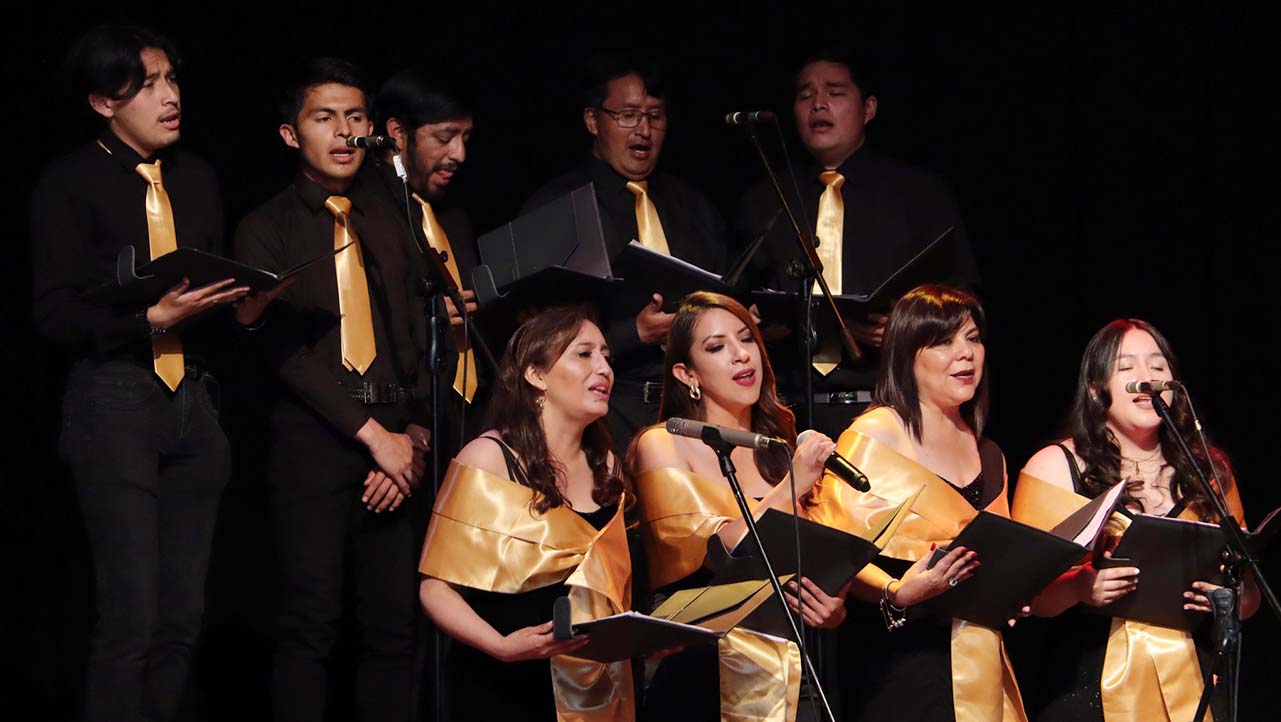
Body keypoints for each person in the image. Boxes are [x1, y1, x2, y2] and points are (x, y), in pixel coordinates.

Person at [30, 25, 251, 722]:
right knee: (132, 616)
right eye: (148, 84)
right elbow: (53, 315)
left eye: (172, 80)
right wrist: (148, 320)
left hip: (196, 398)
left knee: (183, 619)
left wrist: (246, 301)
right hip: (116, 399)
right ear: (103, 102)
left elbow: (211, 291)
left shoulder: (196, 177)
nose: (169, 96)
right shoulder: (69, 181)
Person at [233, 57, 430, 722]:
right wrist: (372, 437)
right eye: (324, 118)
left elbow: (416, 335)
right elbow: (285, 354)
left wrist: (412, 439)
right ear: (292, 135)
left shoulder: (392, 217)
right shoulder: (266, 227)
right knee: (310, 622)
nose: (344, 132)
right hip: (313, 443)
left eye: (355, 117)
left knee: (393, 627)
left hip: (396, 445)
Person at [1015, 319, 1260, 721]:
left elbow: (1248, 601)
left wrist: (1228, 598)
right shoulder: (1057, 466)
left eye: (1158, 367)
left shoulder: (1209, 470)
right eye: (1127, 368)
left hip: (1194, 680)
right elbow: (1025, 594)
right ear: (1096, 389)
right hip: (1089, 680)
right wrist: (1081, 586)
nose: (1146, 378)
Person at [808, 284, 1027, 721]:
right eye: (944, 342)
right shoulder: (877, 435)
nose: (965, 353)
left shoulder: (989, 452)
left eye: (972, 338)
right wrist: (898, 591)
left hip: (980, 660)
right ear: (907, 354)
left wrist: (1013, 590)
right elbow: (833, 548)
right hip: (896, 661)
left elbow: (1001, 554)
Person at [735, 49, 979, 440]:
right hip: (786, 410)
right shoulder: (766, 198)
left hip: (891, 407)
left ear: (868, 108)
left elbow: (962, 299)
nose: (818, 104)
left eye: (835, 92)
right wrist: (755, 322)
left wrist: (907, 326)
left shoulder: (918, 194)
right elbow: (736, 298)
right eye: (805, 95)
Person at [629, 291, 842, 721]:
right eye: (717, 347)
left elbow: (816, 565)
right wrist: (790, 487)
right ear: (686, 373)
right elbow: (713, 553)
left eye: (747, 339)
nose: (741, 356)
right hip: (703, 678)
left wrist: (831, 607)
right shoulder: (664, 444)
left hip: (793, 675)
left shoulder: (780, 450)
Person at [418, 306, 635, 722]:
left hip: (601, 690)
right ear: (536, 376)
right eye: (584, 354)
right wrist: (500, 645)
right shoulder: (489, 458)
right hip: (506, 686)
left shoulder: (606, 465)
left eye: (606, 355)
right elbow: (436, 588)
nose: (604, 367)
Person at [522, 55, 728, 457]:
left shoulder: (692, 206)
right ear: (592, 120)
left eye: (655, 116)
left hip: (692, 406)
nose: (644, 130)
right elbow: (535, 337)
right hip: (605, 414)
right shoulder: (555, 209)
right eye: (628, 115)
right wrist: (635, 334)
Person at [367, 66, 484, 457]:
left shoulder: (454, 216)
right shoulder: (368, 213)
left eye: (465, 138)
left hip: (467, 418)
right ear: (397, 133)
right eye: (445, 137)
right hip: (404, 431)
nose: (459, 154)